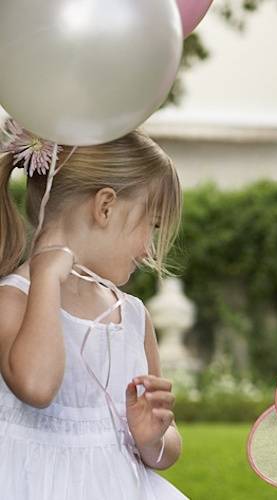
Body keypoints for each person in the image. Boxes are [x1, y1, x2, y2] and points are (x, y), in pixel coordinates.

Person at [0, 120, 187, 499]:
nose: (150, 250)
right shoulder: (13, 299)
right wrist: (47, 279)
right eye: (150, 226)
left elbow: (167, 444)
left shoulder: (133, 316)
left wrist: (152, 439)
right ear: (105, 207)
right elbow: (36, 386)